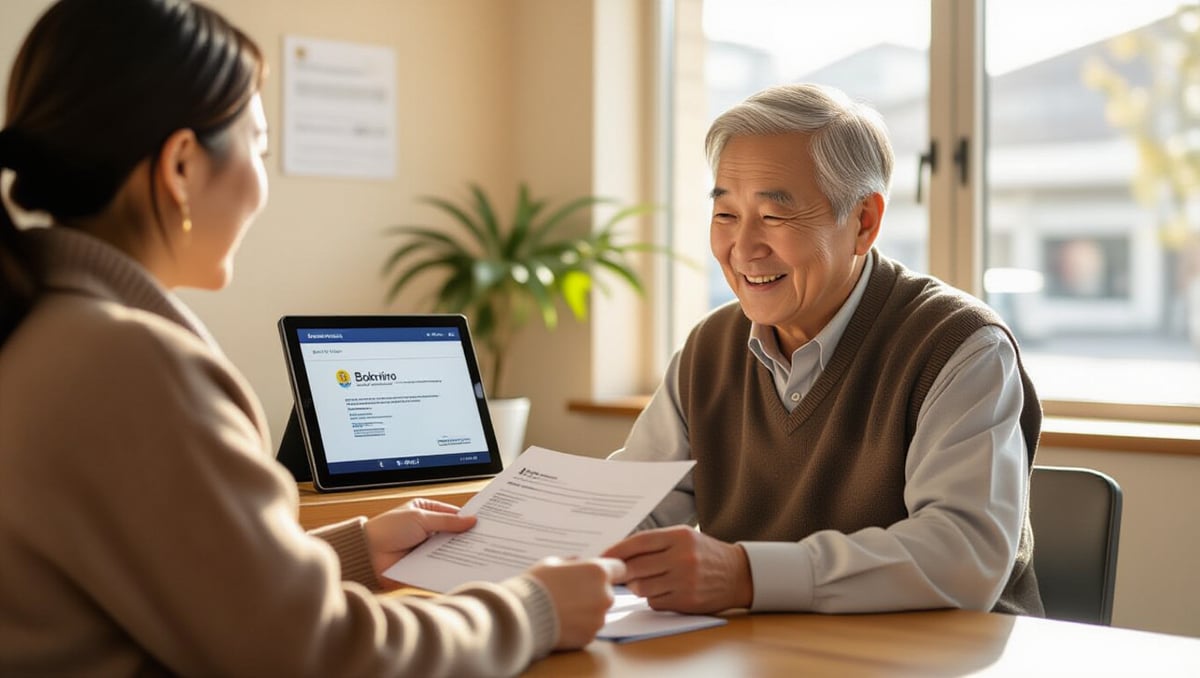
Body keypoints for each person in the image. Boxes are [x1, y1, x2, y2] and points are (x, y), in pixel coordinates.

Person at [0, 1, 619, 675]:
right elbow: (319, 655)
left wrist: (350, 553)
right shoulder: (128, 363)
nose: (261, 184)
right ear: (181, 167)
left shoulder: (40, 328)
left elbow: (189, 590)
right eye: (258, 149)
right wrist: (533, 608)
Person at [603, 83, 1043, 617]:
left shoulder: (958, 344)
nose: (742, 248)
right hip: (764, 654)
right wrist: (487, 527)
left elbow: (964, 554)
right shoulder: (710, 349)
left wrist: (747, 575)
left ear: (864, 222)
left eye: (773, 215)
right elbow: (629, 512)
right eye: (725, 215)